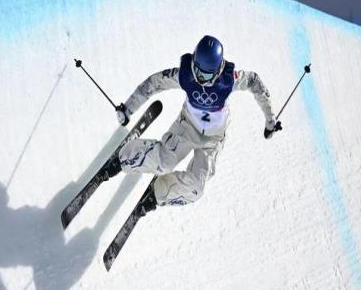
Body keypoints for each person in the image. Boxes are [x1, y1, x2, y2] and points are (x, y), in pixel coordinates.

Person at [105, 35, 281, 215]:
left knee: (196, 187)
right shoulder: (185, 74)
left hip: (213, 139)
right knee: (164, 162)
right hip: (188, 126)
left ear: (219, 69)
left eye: (206, 75)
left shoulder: (230, 80)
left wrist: (270, 119)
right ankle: (123, 158)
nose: (200, 79)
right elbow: (154, 83)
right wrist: (128, 108)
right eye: (197, 71)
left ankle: (158, 193)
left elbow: (256, 82)